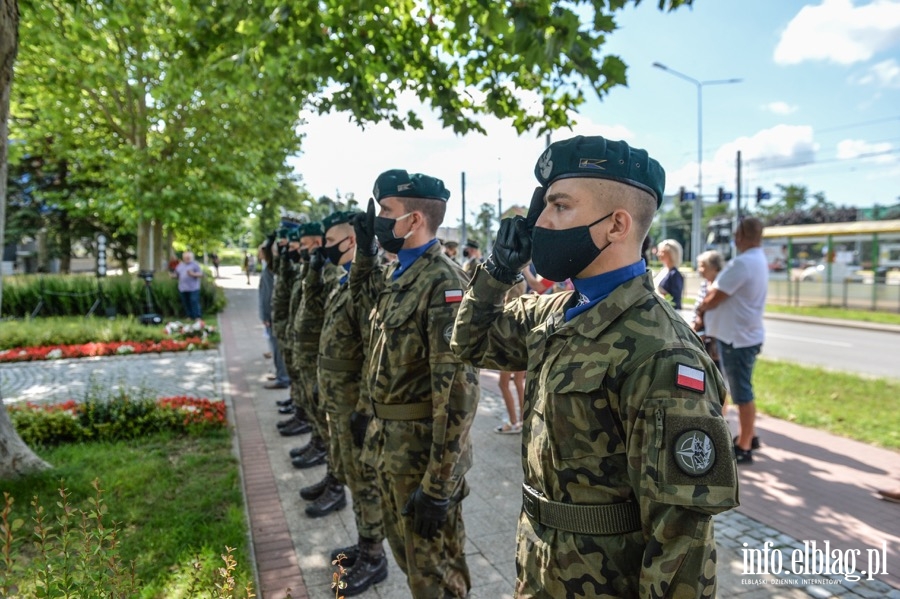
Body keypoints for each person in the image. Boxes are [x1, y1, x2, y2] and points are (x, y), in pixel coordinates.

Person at [451, 135, 738, 598]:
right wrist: (499, 271)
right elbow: (470, 343)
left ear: (616, 224)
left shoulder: (663, 353)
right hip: (540, 565)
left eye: (559, 206)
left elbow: (681, 542)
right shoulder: (554, 310)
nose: (539, 221)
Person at [350, 169, 479, 599]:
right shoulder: (397, 274)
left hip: (423, 459)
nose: (380, 219)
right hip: (390, 448)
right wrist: (365, 254)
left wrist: (439, 486)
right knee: (411, 564)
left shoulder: (443, 281)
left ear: (415, 220)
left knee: (435, 575)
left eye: (387, 211)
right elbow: (369, 328)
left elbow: (456, 392)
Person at [312, 210, 388, 595]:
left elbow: (372, 352)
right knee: (352, 476)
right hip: (335, 398)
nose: (324, 248)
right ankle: (363, 541)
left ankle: (374, 555)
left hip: (353, 403)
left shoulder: (363, 287)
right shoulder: (344, 284)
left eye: (330, 241)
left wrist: (364, 407)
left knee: (364, 478)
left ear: (350, 242)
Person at [697, 217, 768, 465]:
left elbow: (716, 296)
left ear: (741, 236)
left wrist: (702, 309)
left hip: (737, 339)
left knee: (741, 393)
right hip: (741, 335)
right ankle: (751, 435)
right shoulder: (756, 260)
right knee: (742, 389)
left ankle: (745, 445)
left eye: (737, 234)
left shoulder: (743, 263)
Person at [258, 236, 291, 390]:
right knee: (276, 347)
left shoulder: (271, 268)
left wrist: (265, 316)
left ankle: (283, 377)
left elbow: (267, 295)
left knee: (278, 348)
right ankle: (281, 374)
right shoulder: (271, 267)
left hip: (274, 315)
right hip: (273, 314)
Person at [691, 250, 725, 373]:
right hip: (703, 334)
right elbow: (698, 307)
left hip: (715, 336)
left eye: (703, 266)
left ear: (714, 267)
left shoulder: (720, 285)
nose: (700, 269)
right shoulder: (705, 284)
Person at [171, 250, 203, 320]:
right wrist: (173, 276)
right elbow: (177, 274)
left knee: (194, 301)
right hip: (183, 288)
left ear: (191, 257)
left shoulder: (195, 264)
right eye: (185, 258)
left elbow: (201, 274)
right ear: (183, 258)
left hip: (193, 288)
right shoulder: (180, 265)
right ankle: (189, 316)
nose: (187, 259)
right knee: (186, 302)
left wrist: (193, 274)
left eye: (188, 257)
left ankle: (197, 316)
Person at [655, 238, 684, 309]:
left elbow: (675, 300)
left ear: (671, 254)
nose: (658, 254)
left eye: (662, 252)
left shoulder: (674, 274)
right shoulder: (662, 271)